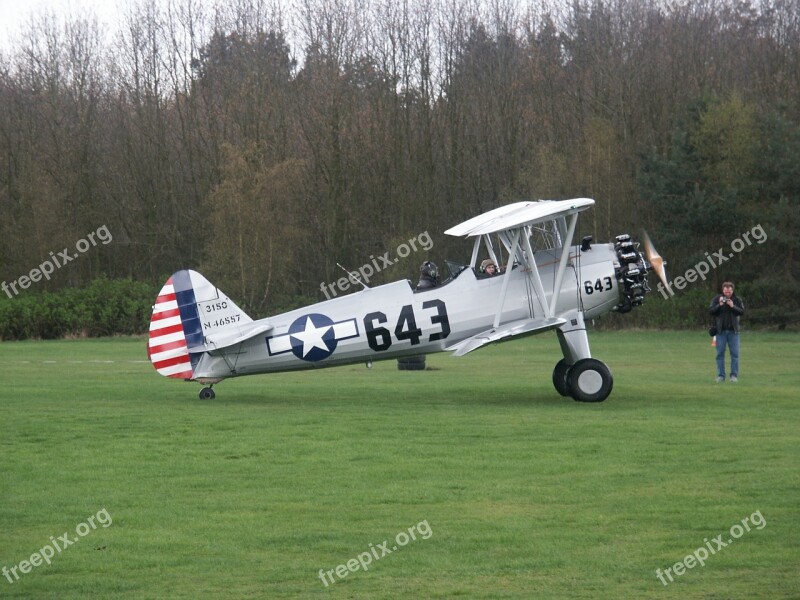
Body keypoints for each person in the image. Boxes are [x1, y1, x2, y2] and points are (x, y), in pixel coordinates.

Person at [709, 281, 745, 382]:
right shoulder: (717, 299)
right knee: (720, 354)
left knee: (735, 354)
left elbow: (742, 312)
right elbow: (711, 311)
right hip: (720, 332)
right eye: (725, 292)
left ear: (732, 290)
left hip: (734, 332)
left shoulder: (737, 300)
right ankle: (721, 376)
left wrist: (733, 306)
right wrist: (719, 305)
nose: (727, 294)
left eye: (729, 292)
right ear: (723, 290)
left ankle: (734, 376)